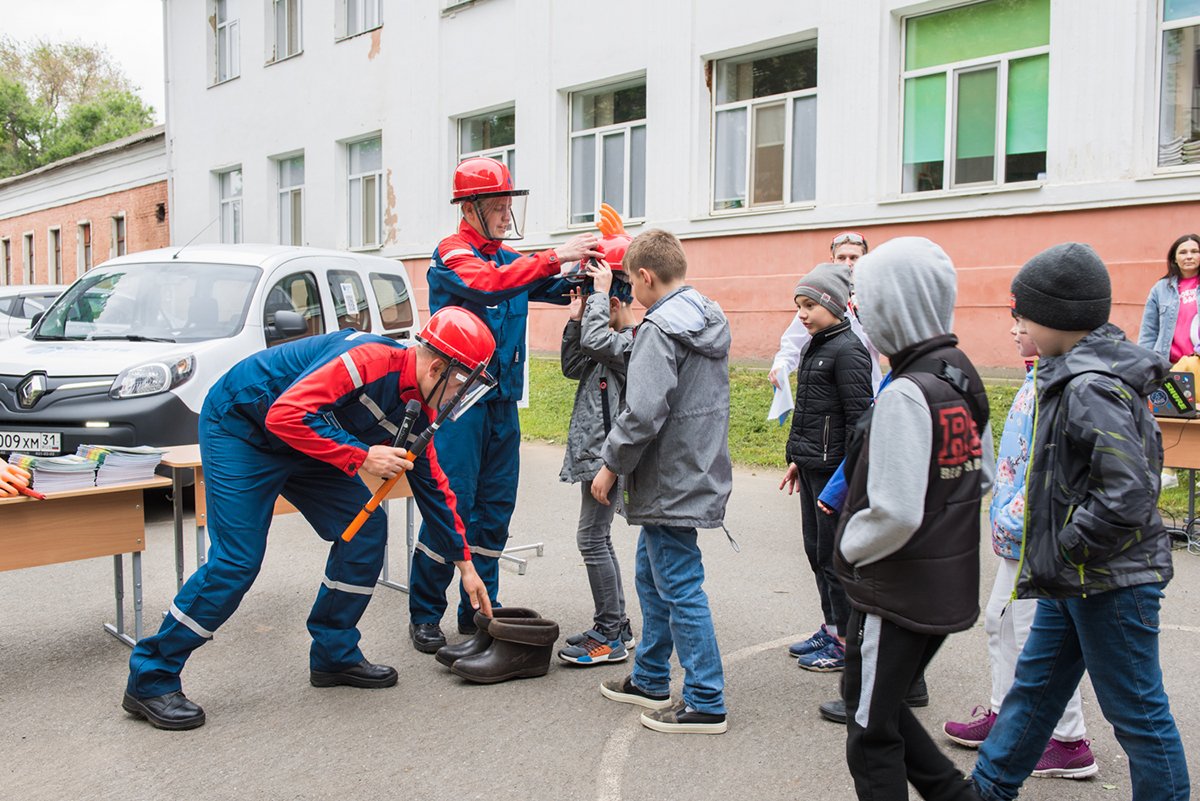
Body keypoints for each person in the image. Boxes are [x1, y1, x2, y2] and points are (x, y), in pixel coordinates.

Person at [123, 307, 498, 730]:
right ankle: (151, 676)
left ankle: (334, 654)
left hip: (304, 436)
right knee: (237, 562)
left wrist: (465, 566)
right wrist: (361, 455)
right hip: (242, 426)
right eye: (461, 385)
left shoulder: (418, 408)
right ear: (436, 367)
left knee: (365, 530)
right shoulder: (367, 361)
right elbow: (284, 415)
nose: (457, 399)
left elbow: (435, 489)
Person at [973, 243, 1188, 801]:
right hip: (1076, 575)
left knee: (1138, 715)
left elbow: (1129, 491)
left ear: (1054, 316)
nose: (1015, 323)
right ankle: (988, 789)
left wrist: (1066, 546)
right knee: (1034, 692)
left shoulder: (1091, 385)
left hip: (1109, 581)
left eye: (1020, 312)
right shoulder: (1069, 374)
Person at [407, 157, 602, 653]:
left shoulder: (508, 258)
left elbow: (551, 287)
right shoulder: (453, 254)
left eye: (507, 202)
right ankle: (425, 613)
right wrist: (556, 256)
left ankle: (480, 611)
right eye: (496, 203)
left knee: (494, 510)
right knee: (450, 506)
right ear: (469, 207)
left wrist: (593, 273)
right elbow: (485, 285)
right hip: (457, 404)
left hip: (501, 403)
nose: (504, 212)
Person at [832, 236, 995, 801]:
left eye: (864, 301)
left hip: (894, 591)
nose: (857, 311)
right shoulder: (960, 372)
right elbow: (986, 474)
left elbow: (895, 512)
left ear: (891, 307)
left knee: (870, 731)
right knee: (882, 705)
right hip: (946, 584)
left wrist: (848, 547)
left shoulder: (907, 392)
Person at [943, 314, 1096, 778]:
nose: (1013, 331)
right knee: (999, 622)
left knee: (1041, 641)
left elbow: (1054, 471)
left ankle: (1069, 741)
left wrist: (1016, 517)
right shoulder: (1038, 375)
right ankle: (1006, 715)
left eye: (1022, 322)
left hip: (1039, 534)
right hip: (1018, 530)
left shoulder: (1064, 384)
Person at [592, 228, 732, 735]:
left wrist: (610, 464)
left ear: (646, 276)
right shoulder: (706, 315)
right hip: (693, 467)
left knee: (678, 583)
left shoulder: (659, 329)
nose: (630, 292)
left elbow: (643, 411)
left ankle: (706, 699)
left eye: (630, 282)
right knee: (654, 575)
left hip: (671, 475)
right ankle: (651, 675)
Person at [778, 263, 872, 673]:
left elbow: (857, 422)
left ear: (833, 304)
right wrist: (798, 458)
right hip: (813, 466)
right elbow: (810, 414)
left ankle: (846, 642)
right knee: (816, 552)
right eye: (799, 305)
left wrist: (849, 477)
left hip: (836, 474)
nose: (802, 314)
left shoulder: (849, 350)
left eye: (810, 305)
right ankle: (831, 626)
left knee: (835, 559)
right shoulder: (817, 344)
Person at [556, 248, 638, 666]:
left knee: (591, 538)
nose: (590, 311)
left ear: (615, 304)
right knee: (597, 537)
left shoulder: (633, 341)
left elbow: (596, 340)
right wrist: (575, 318)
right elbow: (573, 363)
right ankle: (616, 625)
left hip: (608, 456)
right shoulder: (603, 340)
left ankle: (609, 632)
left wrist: (599, 295)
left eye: (597, 305)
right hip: (594, 453)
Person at [768, 231, 882, 394]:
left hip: (867, 388)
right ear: (832, 261)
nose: (847, 264)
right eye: (841, 258)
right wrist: (781, 366)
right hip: (827, 392)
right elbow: (793, 341)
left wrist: (863, 316)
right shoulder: (818, 298)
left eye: (854, 258)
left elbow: (883, 345)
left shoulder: (874, 299)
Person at [1139, 233, 1200, 363]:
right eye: (1183, 252)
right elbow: (1148, 331)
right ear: (1175, 259)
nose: (1189, 256)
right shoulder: (1160, 289)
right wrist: (1145, 363)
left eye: (1194, 251)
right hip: (1170, 364)